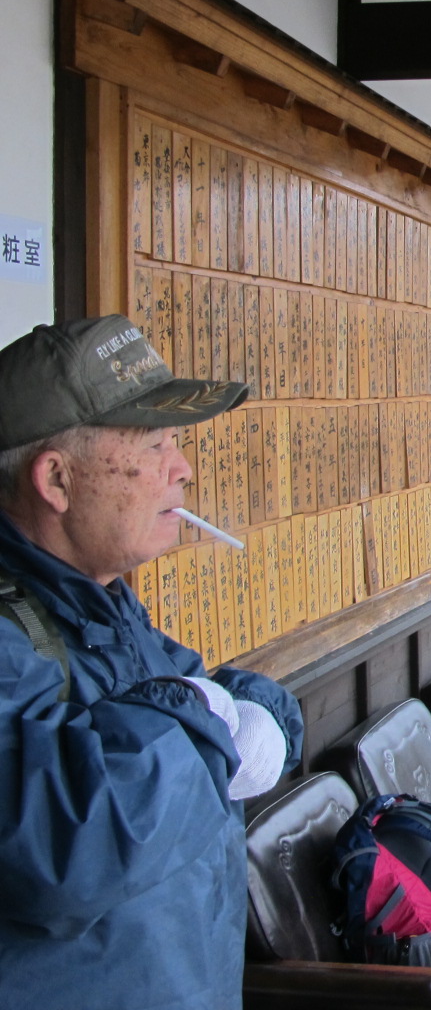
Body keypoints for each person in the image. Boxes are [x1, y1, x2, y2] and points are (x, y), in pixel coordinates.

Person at [0, 315, 304, 1010]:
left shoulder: (101, 603)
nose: (183, 467)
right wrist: (207, 720)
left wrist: (264, 716)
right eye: (157, 443)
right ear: (56, 479)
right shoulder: (15, 631)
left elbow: (203, 689)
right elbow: (65, 848)